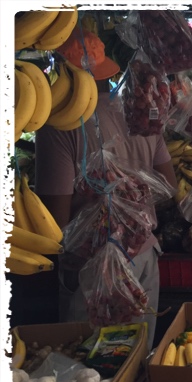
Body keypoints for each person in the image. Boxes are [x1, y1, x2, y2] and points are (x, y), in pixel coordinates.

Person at [34, 29, 177, 350]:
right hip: (142, 255)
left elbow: (56, 222)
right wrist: (132, 197)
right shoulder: (138, 113)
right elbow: (169, 186)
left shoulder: (58, 126)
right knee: (135, 361)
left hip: (93, 267)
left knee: (89, 368)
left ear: (62, 71)